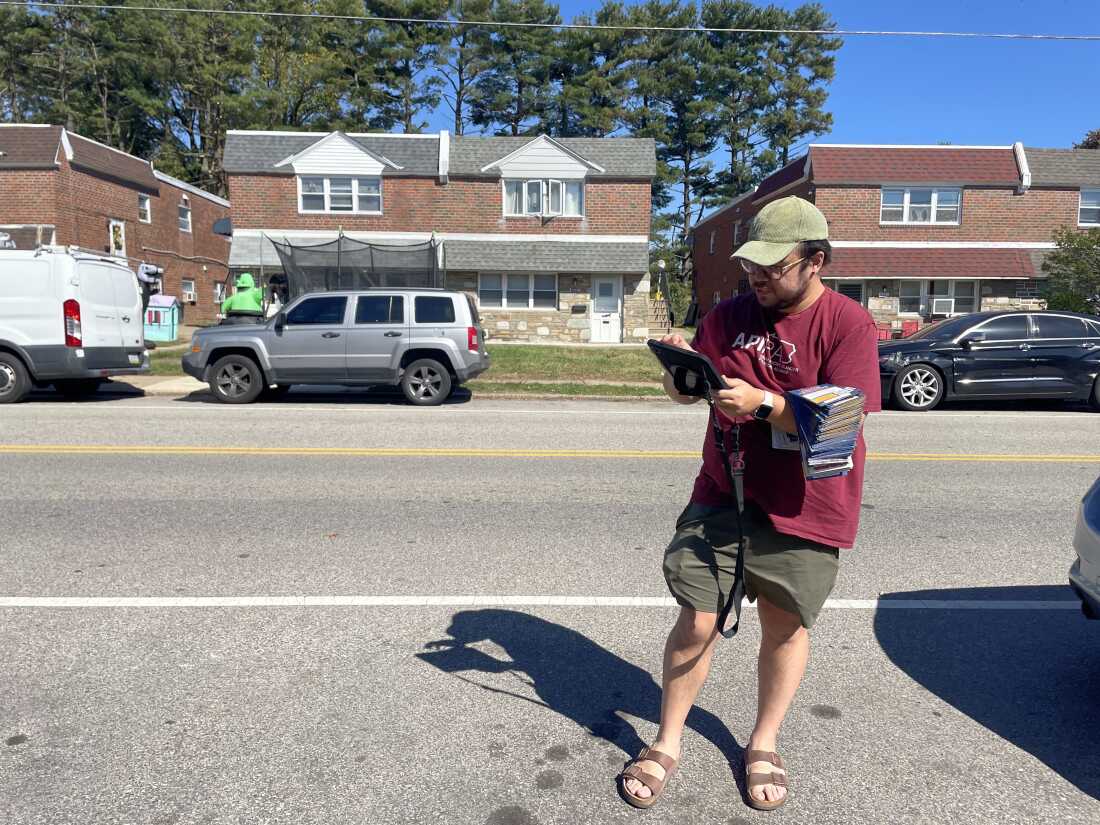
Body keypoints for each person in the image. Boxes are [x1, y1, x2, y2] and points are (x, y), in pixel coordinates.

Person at [617, 196, 881, 812]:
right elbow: (691, 393)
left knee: (784, 627)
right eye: (751, 265)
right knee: (697, 618)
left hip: (807, 501)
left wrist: (764, 404)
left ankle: (763, 742)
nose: (757, 277)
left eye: (773, 265)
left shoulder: (847, 323)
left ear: (815, 261)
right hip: (722, 492)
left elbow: (847, 416)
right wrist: (680, 373)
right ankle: (667, 741)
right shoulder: (731, 314)